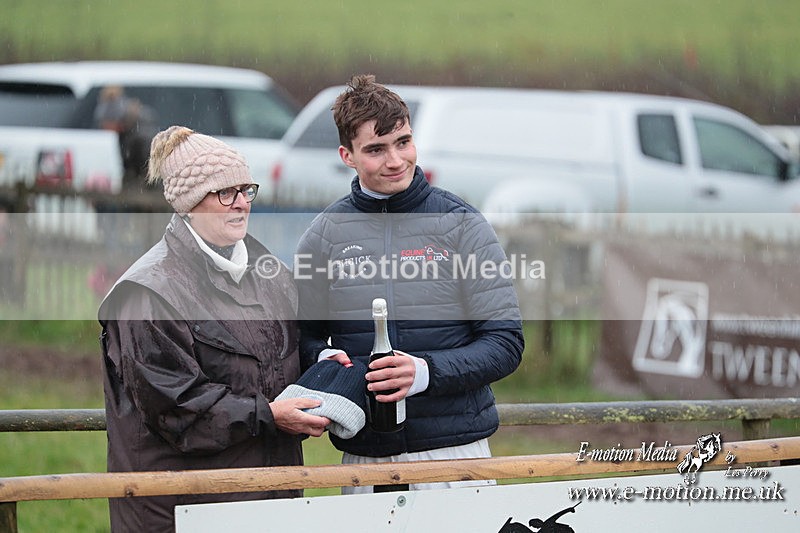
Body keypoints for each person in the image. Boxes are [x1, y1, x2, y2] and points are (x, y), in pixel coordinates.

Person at [295, 75, 524, 493]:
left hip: (455, 455)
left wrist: (425, 372)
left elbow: (505, 343)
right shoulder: (323, 236)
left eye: (403, 142)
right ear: (347, 155)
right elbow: (301, 340)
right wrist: (325, 359)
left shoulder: (462, 225)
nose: (396, 160)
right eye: (376, 149)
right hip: (364, 459)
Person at [98, 125, 330, 532]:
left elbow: (281, 362)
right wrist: (270, 415)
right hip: (182, 510)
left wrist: (323, 364)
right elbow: (177, 409)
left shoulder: (272, 276)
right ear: (189, 203)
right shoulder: (148, 293)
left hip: (269, 503)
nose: (241, 203)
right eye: (225, 192)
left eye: (246, 190)